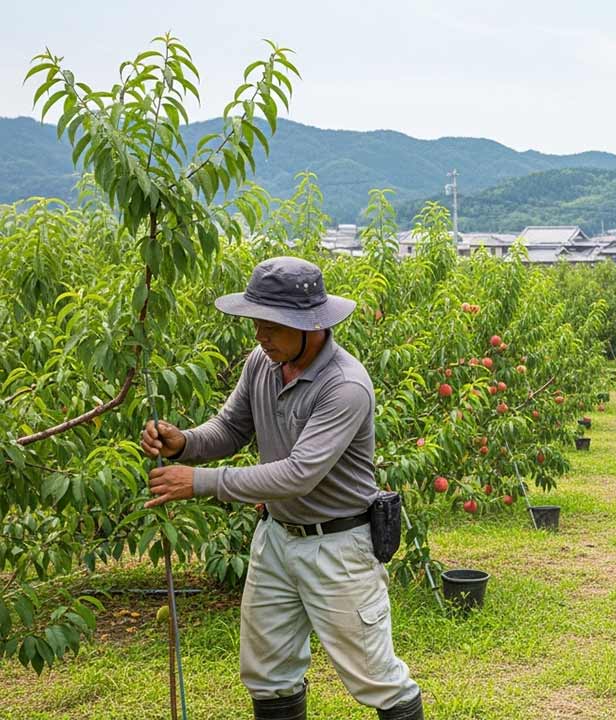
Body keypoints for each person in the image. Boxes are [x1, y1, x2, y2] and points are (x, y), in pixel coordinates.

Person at [142, 257, 422, 720]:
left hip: (338, 545)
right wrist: (184, 443)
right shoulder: (262, 363)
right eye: (257, 323)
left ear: (312, 326)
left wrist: (201, 482)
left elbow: (298, 473)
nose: (260, 336)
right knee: (268, 673)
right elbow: (231, 428)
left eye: (272, 326)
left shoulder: (345, 385)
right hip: (276, 537)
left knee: (377, 678)